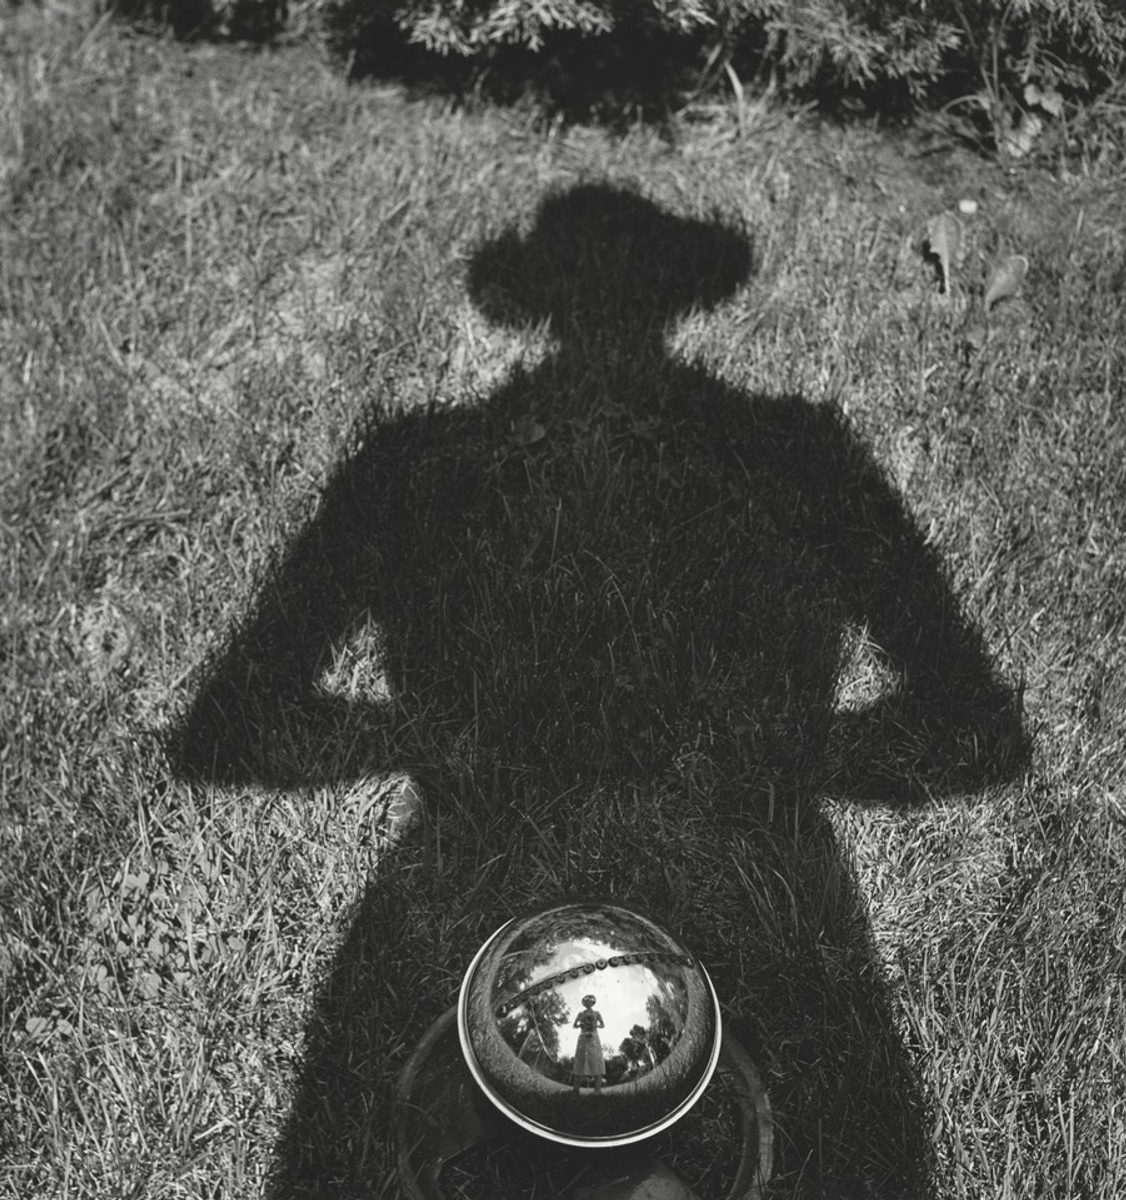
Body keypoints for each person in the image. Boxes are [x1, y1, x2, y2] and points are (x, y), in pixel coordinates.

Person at [172, 184, 1028, 1198]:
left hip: (514, 849)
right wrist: (778, 760)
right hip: (723, 854)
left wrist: (428, 738)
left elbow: (226, 731)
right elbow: (976, 732)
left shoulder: (417, 459)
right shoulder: (800, 449)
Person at [571, 994, 606, 1094]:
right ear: (584, 1003)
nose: (588, 1003)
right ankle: (575, 1089)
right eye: (586, 1001)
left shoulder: (597, 1013)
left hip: (594, 1037)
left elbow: (603, 1025)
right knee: (580, 1059)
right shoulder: (580, 1014)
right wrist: (580, 1025)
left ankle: (597, 1091)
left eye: (590, 1001)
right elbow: (574, 1025)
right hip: (583, 1037)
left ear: (593, 1002)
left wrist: (596, 1026)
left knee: (596, 1059)